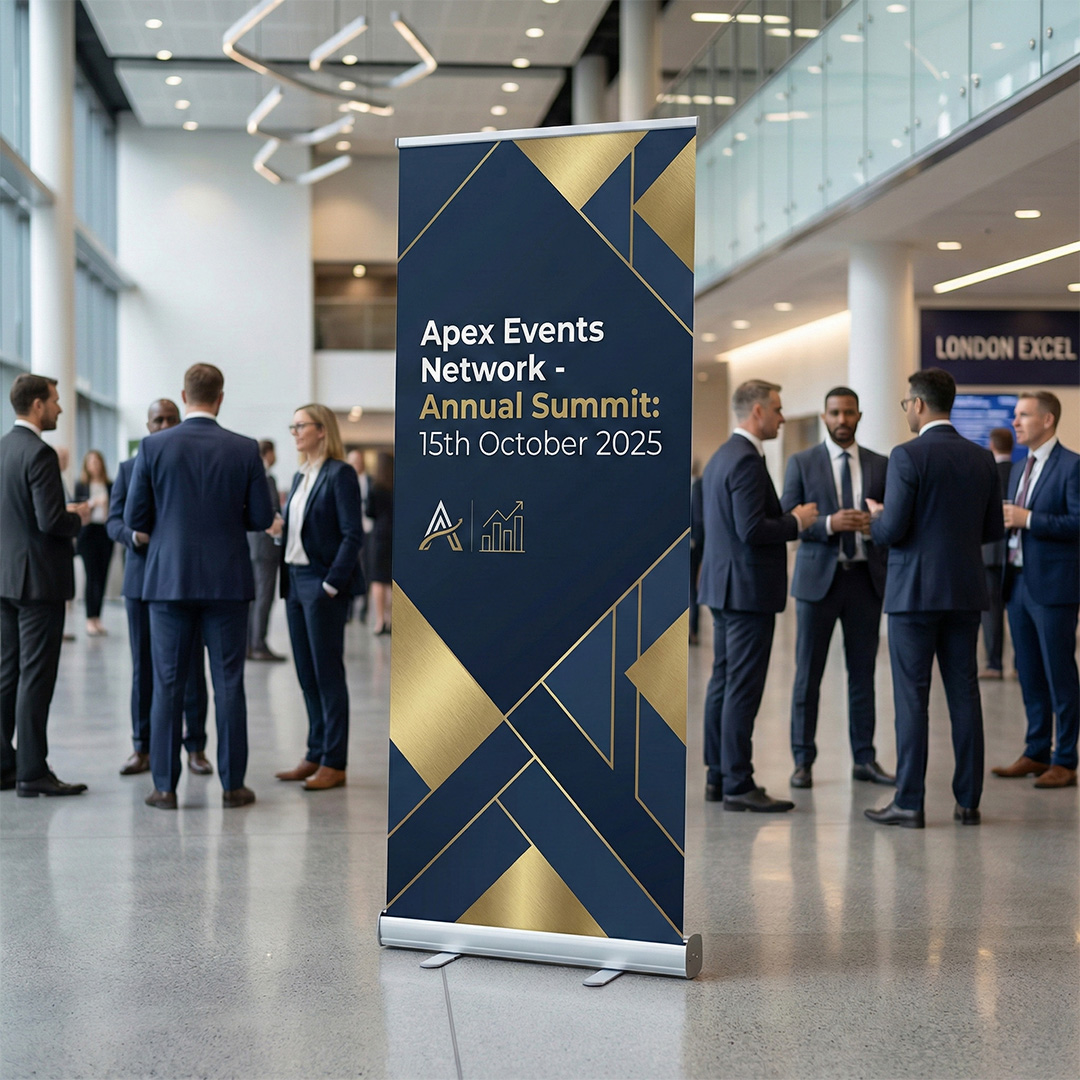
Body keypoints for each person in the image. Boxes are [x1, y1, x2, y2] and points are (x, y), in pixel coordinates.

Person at [125, 364, 274, 810]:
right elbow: (261, 518)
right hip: (228, 581)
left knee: (168, 684)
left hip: (168, 582)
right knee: (229, 683)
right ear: (220, 398)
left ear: (184, 396)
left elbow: (135, 518)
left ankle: (164, 788)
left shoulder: (153, 446)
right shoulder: (245, 448)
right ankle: (233, 786)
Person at [865, 369, 1004, 828]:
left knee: (912, 699)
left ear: (919, 404)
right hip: (965, 591)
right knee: (965, 694)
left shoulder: (906, 455)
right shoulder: (982, 458)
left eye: (907, 402)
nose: (907, 409)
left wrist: (877, 518)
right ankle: (968, 802)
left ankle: (909, 803)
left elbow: (892, 530)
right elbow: (992, 529)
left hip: (913, 596)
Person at [697, 379, 818, 812]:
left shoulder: (721, 456)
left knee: (724, 682)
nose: (783, 417)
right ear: (757, 411)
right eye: (778, 409)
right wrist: (797, 521)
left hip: (723, 587)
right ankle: (738, 783)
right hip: (746, 593)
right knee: (742, 687)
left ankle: (718, 776)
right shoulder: (747, 460)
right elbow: (751, 529)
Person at [781, 386, 892, 789]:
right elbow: (788, 519)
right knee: (807, 675)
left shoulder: (881, 464)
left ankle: (864, 759)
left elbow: (894, 521)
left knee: (862, 675)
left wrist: (874, 525)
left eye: (848, 412)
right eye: (834, 413)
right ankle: (802, 761)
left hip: (865, 581)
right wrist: (830, 524)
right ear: (824, 417)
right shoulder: (802, 462)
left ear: (859, 416)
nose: (842, 420)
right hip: (817, 584)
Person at [107, 399, 212, 777]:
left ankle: (195, 746)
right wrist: (135, 536)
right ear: (148, 426)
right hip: (141, 581)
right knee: (144, 667)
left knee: (192, 667)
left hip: (183, 580)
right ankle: (143, 747)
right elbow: (114, 522)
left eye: (171, 419)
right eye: (158, 420)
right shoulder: (128, 468)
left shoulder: (192, 464)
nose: (165, 425)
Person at [0, 374, 90, 796]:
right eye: (54, 401)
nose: (59, 408)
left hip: (5, 579)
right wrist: (78, 517)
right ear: (37, 404)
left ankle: (5, 765)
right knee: (36, 676)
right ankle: (32, 772)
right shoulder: (40, 453)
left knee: (7, 673)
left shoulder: (3, 448)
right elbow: (50, 520)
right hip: (38, 583)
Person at [992, 391, 1079, 789]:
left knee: (1059, 674)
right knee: (1028, 672)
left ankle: (1065, 759)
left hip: (1054, 587)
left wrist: (1028, 519)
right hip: (1017, 583)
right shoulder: (1017, 468)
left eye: (1023, 415)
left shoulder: (1072, 466)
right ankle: (1036, 751)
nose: (1015, 422)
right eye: (1015, 415)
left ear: (1047, 420)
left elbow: (1077, 522)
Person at [275, 405, 364, 791]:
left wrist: (331, 584)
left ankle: (334, 761)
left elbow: (352, 534)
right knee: (306, 674)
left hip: (320, 582)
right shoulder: (300, 475)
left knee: (328, 674)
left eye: (301, 426)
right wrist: (280, 532)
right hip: (294, 582)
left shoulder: (339, 473)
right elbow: (303, 531)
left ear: (322, 430)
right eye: (292, 426)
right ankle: (314, 752)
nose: (294, 432)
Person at [980, 427, 1015, 680]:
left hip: (988, 551)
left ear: (992, 445)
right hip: (1015, 551)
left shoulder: (986, 473)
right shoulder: (1021, 471)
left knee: (991, 610)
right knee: (1017, 609)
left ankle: (994, 665)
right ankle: (1019, 665)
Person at [247, 439, 286, 662]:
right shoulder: (267, 478)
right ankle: (259, 644)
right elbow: (271, 513)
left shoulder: (249, 475)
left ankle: (250, 644)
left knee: (254, 597)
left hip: (252, 545)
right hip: (266, 547)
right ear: (268, 453)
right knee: (264, 596)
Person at [74, 450, 114, 637]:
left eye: (97, 461)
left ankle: (98, 617)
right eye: (91, 462)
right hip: (88, 534)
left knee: (102, 576)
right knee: (92, 577)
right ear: (86, 465)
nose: (94, 465)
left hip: (105, 534)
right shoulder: (81, 485)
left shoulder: (110, 485)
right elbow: (76, 508)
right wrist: (93, 503)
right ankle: (90, 618)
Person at [366, 452, 394, 634]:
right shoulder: (397, 486)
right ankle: (391, 620)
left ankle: (379, 621)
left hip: (379, 535)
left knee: (378, 580)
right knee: (391, 580)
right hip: (395, 535)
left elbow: (369, 512)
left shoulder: (375, 487)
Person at [346, 449, 373, 623]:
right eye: (353, 461)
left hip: (367, 530)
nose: (356, 464)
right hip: (349, 532)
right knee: (348, 569)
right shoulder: (344, 481)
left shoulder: (369, 481)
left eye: (358, 461)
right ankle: (348, 609)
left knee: (366, 570)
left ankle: (364, 608)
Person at [689, 469, 703, 645]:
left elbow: (699, 519)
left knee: (692, 589)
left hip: (692, 547)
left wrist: (695, 541)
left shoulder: (697, 485)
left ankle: (692, 631)